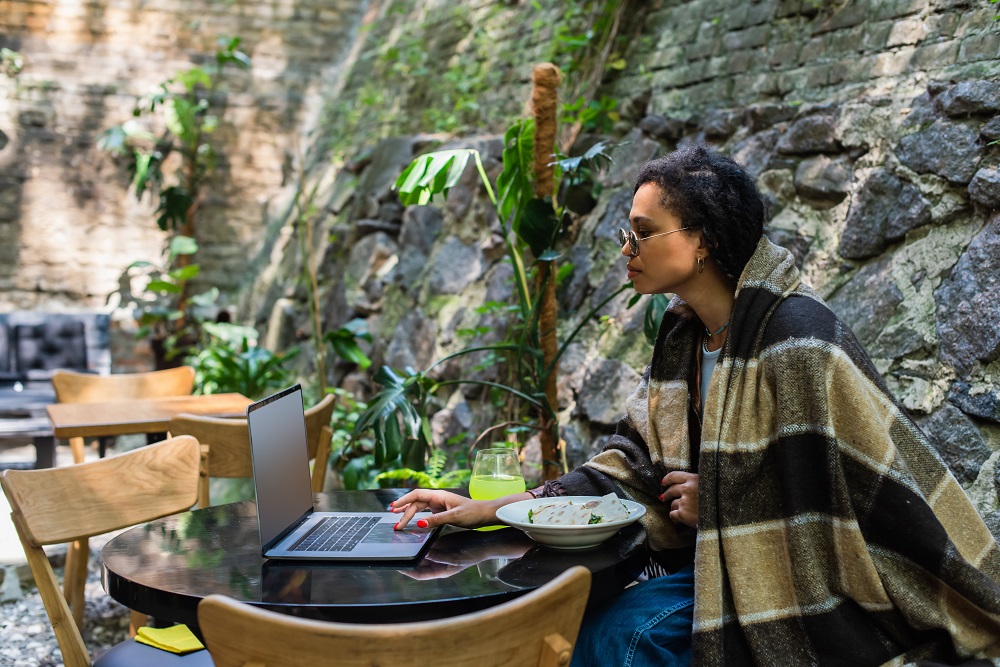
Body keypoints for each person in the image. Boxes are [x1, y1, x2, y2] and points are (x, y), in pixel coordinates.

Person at [391, 145, 1000, 666]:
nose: (627, 247)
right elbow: (631, 465)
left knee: (628, 636)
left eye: (644, 231)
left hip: (828, 586)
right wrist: (488, 509)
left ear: (702, 240)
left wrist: (717, 500)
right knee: (586, 616)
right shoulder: (685, 335)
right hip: (724, 563)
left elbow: (850, 497)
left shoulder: (796, 338)